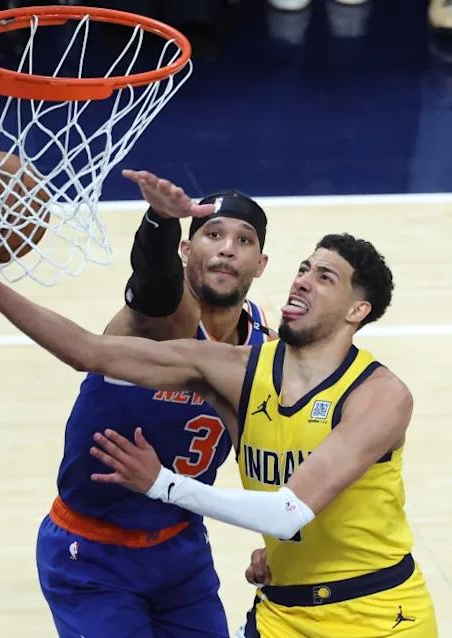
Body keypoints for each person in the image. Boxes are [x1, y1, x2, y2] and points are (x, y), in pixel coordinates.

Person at [0, 231, 437, 637]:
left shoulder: (381, 396)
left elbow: (285, 513)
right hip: (282, 613)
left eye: (324, 277)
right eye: (304, 268)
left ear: (358, 309)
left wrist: (163, 484)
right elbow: (91, 352)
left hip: (377, 615)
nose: (302, 280)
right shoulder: (237, 371)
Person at [31, 168, 275, 638]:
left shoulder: (265, 350)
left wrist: (280, 546)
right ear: (187, 250)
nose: (227, 247)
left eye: (243, 240)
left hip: (180, 552)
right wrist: (161, 222)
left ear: (260, 264)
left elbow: (279, 456)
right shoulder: (152, 324)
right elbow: (154, 288)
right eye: (213, 234)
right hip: (93, 555)